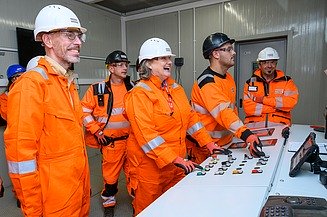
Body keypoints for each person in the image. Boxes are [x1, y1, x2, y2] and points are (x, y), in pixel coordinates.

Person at [4, 4, 90, 216]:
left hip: (78, 193)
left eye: (79, 36)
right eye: (70, 35)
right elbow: (20, 158)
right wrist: (33, 210)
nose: (78, 42)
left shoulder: (66, 84)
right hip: (54, 203)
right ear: (47, 40)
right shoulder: (30, 85)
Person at [124, 37, 217, 215]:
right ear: (149, 64)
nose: (169, 62)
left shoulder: (176, 88)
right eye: (163, 58)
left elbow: (191, 119)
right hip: (149, 170)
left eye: (169, 58)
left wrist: (208, 143)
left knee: (176, 208)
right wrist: (175, 159)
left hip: (177, 165)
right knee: (149, 211)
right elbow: (147, 136)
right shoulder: (138, 94)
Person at [187, 32, 264, 164]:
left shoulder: (228, 78)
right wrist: (246, 135)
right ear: (216, 54)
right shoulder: (207, 82)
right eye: (228, 49)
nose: (233, 53)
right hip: (206, 148)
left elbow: (231, 111)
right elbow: (224, 112)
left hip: (225, 144)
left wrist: (239, 134)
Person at [81, 50, 134, 214]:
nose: (125, 68)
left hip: (133, 142)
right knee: (110, 178)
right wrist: (96, 131)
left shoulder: (134, 88)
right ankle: (109, 204)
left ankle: (139, 201)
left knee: (136, 174)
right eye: (120, 65)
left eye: (126, 64)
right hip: (111, 143)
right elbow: (83, 111)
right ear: (111, 68)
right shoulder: (97, 90)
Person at [243, 47, 299, 128]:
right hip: (253, 128)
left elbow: (290, 103)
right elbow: (248, 108)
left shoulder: (287, 81)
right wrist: (275, 108)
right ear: (259, 65)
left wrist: (263, 100)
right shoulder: (250, 83)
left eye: (272, 62)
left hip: (280, 127)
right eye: (265, 62)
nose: (269, 66)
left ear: (276, 64)